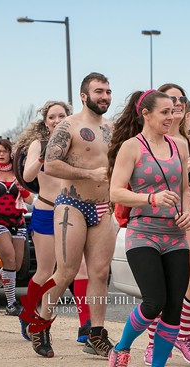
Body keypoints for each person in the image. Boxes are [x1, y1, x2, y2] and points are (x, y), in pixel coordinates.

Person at [22, 72, 116, 359]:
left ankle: (96, 334)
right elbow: (50, 165)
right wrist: (88, 173)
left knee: (99, 273)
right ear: (84, 96)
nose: (105, 96)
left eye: (109, 91)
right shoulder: (68, 126)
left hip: (103, 207)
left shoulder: (112, 129)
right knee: (65, 272)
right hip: (71, 205)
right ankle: (40, 323)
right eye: (99, 91)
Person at [107, 89, 190, 367]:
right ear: (146, 114)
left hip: (176, 235)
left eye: (173, 111)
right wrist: (150, 198)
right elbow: (116, 192)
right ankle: (121, 347)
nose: (171, 117)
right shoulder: (131, 147)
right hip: (143, 232)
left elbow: (183, 190)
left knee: (173, 309)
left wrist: (187, 213)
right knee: (154, 302)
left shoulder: (179, 146)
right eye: (165, 112)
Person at [140, 83, 190, 366]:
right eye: (170, 101)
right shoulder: (149, 142)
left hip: (188, 215)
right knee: (166, 290)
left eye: (181, 99)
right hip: (156, 222)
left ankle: (182, 334)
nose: (177, 104)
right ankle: (155, 341)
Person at [15, 101, 93, 343]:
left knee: (79, 270)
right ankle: (28, 313)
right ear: (45, 121)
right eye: (52, 117)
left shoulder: (77, 144)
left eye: (62, 115)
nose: (57, 120)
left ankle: (86, 327)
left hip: (72, 212)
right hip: (46, 211)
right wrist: (40, 158)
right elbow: (27, 176)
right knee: (45, 271)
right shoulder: (40, 144)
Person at [0, 139, 33, 315]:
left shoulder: (18, 173)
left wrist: (22, 187)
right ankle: (11, 304)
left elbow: (29, 200)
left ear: (10, 153)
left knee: (15, 264)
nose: (1, 154)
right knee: (10, 259)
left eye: (5, 151)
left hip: (17, 220)